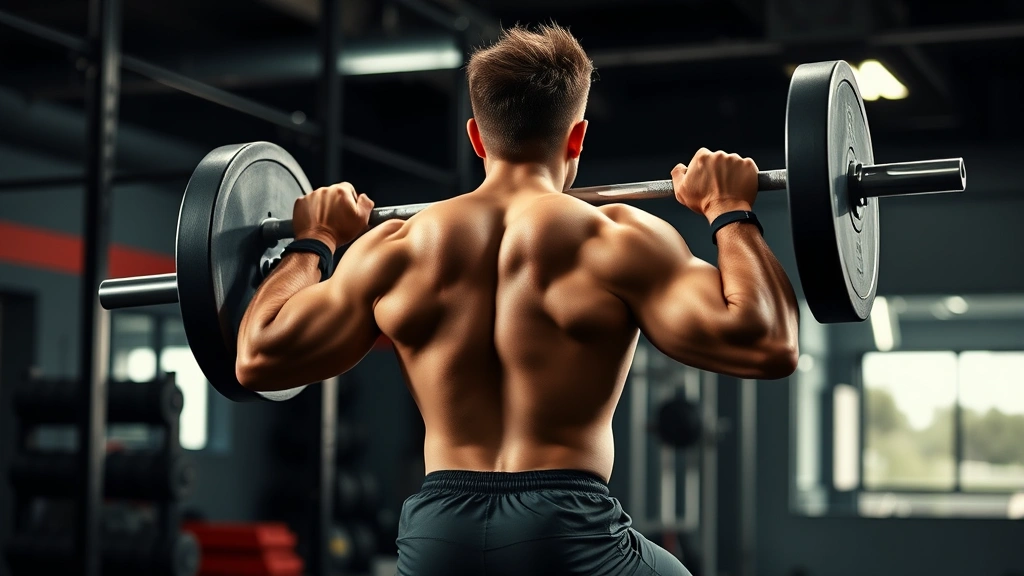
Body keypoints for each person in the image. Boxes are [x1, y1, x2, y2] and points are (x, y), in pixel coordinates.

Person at [236, 23, 799, 576]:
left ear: (476, 137)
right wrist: (730, 211)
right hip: (564, 532)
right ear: (577, 137)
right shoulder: (616, 238)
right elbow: (768, 342)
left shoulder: (395, 247)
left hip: (439, 534)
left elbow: (259, 359)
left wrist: (312, 242)